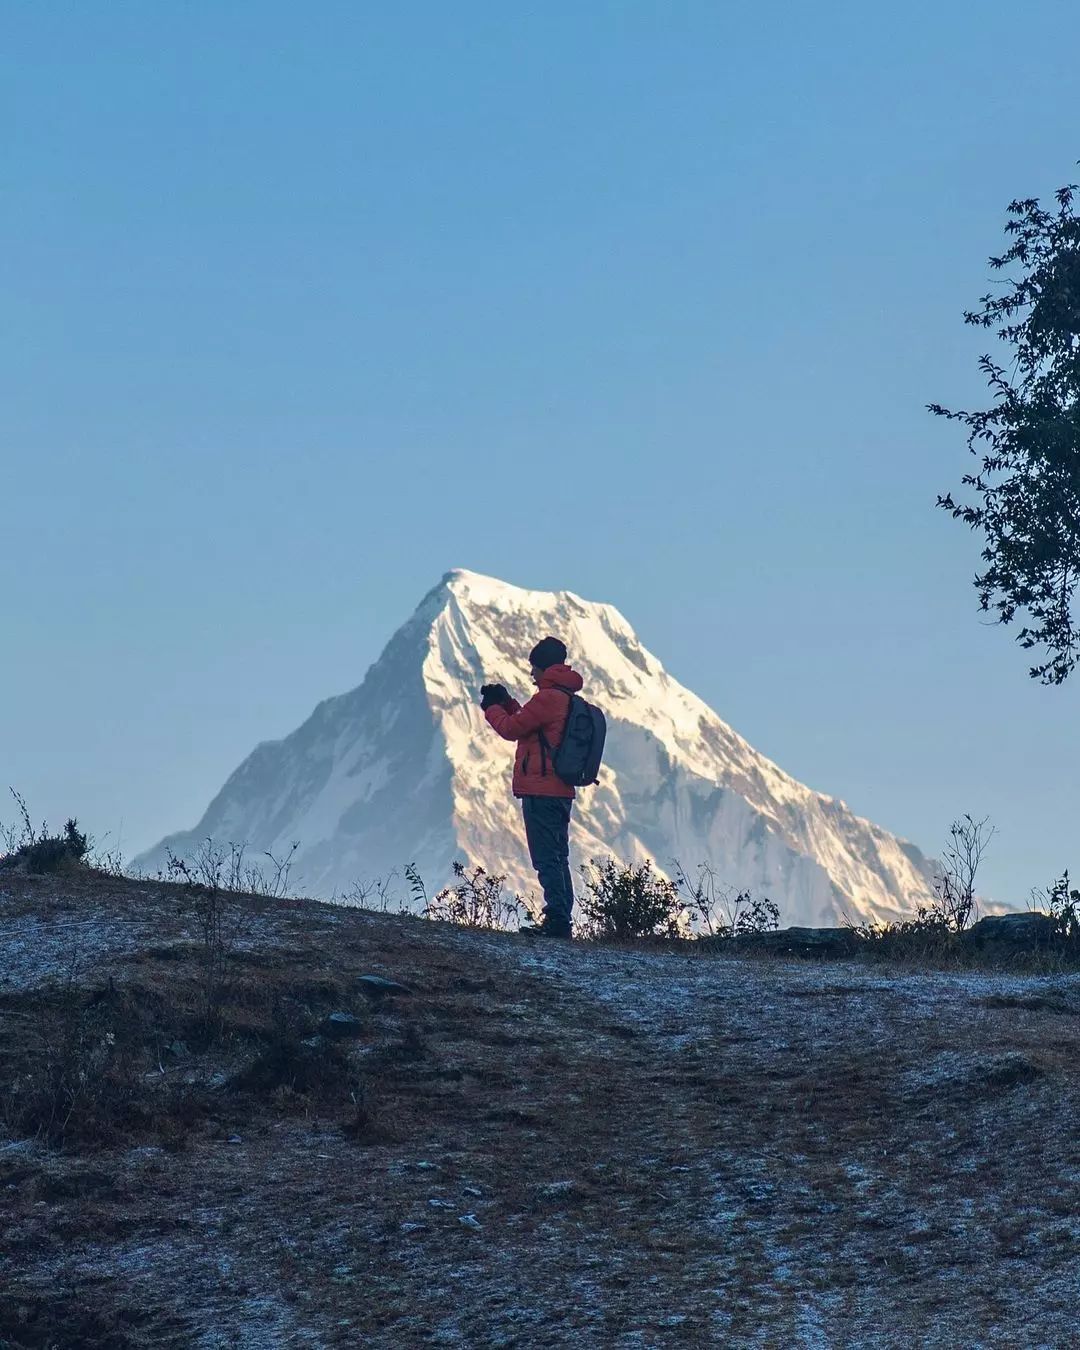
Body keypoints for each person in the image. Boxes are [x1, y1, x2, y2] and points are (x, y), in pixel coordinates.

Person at [480, 636, 582, 938]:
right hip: (559, 789)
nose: (532, 675)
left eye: (533, 668)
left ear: (542, 666)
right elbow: (530, 723)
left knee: (546, 857)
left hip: (542, 789)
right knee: (557, 855)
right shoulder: (565, 697)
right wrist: (508, 703)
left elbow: (513, 729)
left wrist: (491, 709)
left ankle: (558, 922)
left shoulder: (548, 698)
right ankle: (560, 918)